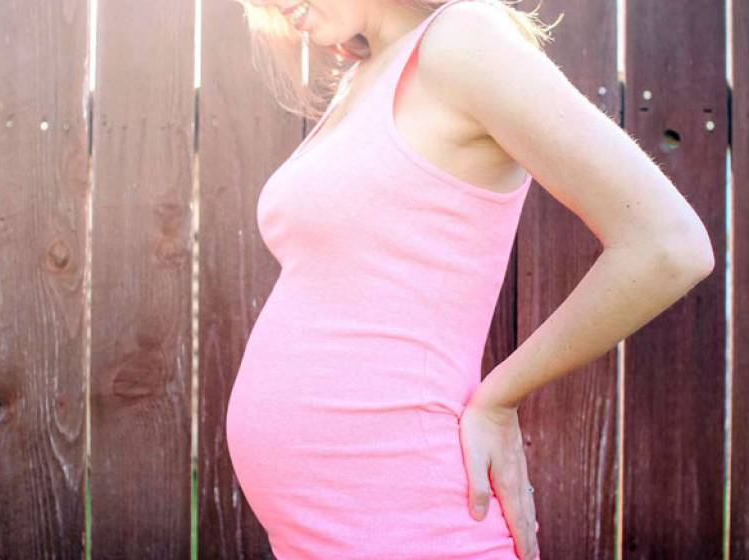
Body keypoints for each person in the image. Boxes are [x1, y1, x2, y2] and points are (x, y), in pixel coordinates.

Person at [225, 1, 716, 559]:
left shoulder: (460, 40)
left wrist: (499, 398)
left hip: (411, 516)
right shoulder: (365, 72)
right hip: (323, 527)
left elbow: (668, 244)